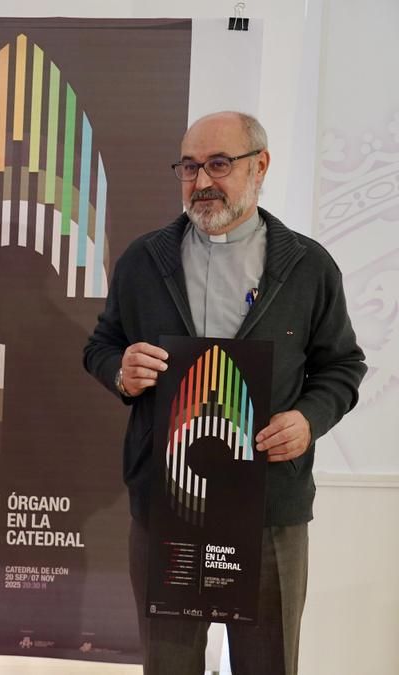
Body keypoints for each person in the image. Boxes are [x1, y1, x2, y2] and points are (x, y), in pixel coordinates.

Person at [83, 111, 366, 674]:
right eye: (189, 167)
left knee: (269, 664)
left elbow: (342, 366)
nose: (202, 181)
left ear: (259, 166)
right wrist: (121, 370)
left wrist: (309, 420)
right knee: (169, 665)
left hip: (270, 509)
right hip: (168, 507)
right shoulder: (144, 260)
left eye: (219, 164)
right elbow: (102, 345)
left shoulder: (308, 266)